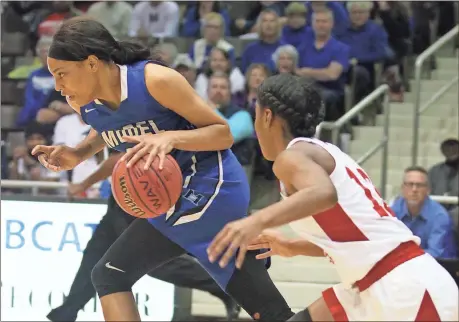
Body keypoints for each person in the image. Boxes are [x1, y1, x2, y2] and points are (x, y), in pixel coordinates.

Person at [32, 17, 293, 322]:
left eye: (62, 74)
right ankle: (242, 249)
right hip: (170, 199)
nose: (58, 86)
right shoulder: (85, 104)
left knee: (110, 274)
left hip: (211, 185)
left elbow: (223, 134)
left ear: (91, 63)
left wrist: (170, 137)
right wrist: (78, 153)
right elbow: (108, 130)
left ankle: (238, 241)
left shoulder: (154, 80)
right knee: (274, 313)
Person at [207, 74, 459, 321]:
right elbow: (356, 235)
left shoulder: (292, 157)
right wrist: (294, 247)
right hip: (372, 284)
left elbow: (324, 194)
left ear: (267, 116)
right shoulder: (321, 153)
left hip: (404, 286)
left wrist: (255, 221)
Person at [47, 152, 240, 322]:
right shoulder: (108, 120)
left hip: (142, 198)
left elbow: (118, 160)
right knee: (96, 258)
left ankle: (222, 287)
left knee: (146, 264)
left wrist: (83, 184)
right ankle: (66, 314)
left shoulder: (128, 119)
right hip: (125, 200)